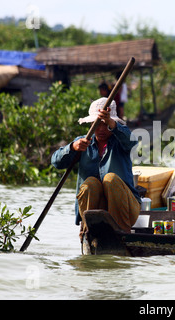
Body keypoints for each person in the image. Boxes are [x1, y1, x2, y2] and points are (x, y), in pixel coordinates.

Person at [51, 97, 141, 240]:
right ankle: (88, 231)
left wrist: (111, 123)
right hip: (96, 211)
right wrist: (73, 148)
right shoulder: (83, 142)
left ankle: (122, 233)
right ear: (91, 124)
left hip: (126, 210)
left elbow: (132, 142)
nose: (100, 129)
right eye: (97, 124)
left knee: (110, 179)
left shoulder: (120, 141)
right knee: (90, 184)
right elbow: (56, 162)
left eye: (105, 124)